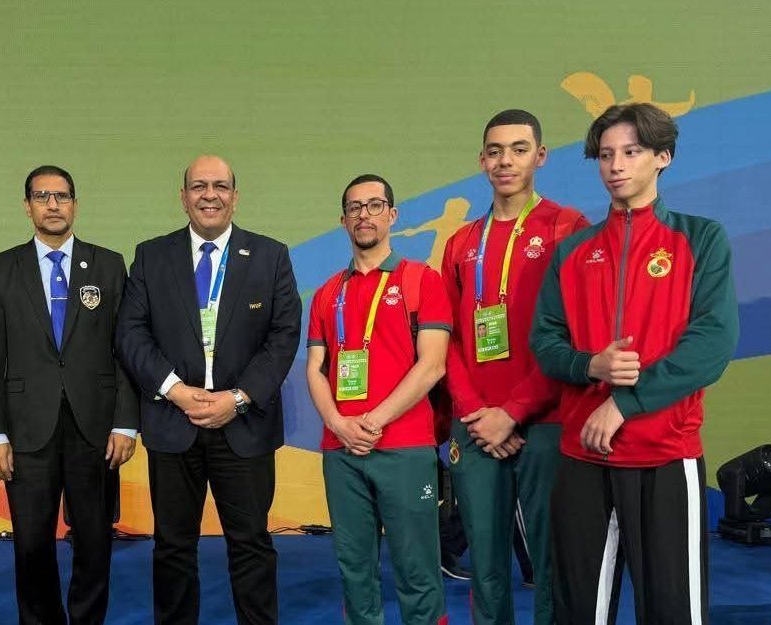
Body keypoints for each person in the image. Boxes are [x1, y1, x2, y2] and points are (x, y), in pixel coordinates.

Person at [530, 103, 738, 624]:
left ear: (662, 157)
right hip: (583, 455)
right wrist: (590, 366)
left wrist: (627, 402)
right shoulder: (574, 251)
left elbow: (712, 344)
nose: (615, 165)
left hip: (665, 454)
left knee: (673, 612)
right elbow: (545, 342)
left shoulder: (700, 238)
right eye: (605, 155)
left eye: (631, 151)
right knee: (577, 611)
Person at [116, 155, 301, 624]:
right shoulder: (151, 256)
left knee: (252, 543)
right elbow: (131, 334)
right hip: (172, 422)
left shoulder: (270, 255)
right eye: (199, 186)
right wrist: (175, 390)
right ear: (183, 198)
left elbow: (284, 336)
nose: (209, 195)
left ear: (235, 197)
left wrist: (237, 399)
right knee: (173, 547)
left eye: (220, 186)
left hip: (244, 424)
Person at [439, 109, 589, 625]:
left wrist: (516, 411)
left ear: (540, 156)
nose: (506, 160)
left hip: (545, 422)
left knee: (552, 563)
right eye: (496, 151)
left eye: (519, 149)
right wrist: (478, 412)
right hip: (476, 425)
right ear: (482, 161)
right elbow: (449, 340)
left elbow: (573, 335)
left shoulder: (568, 227)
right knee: (485, 564)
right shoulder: (461, 243)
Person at [0, 166, 139, 624]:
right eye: (42, 196)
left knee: (94, 540)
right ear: (26, 206)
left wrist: (126, 422)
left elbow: (123, 349)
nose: (53, 205)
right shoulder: (2, 267)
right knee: (30, 543)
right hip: (27, 430)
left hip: (96, 428)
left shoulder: (108, 264)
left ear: (75, 204)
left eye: (62, 196)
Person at [305, 174, 450, 625]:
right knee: (355, 569)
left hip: (404, 447)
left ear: (392, 215)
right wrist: (338, 424)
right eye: (354, 207)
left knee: (417, 568)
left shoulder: (421, 280)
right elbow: (315, 368)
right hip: (342, 451)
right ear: (343, 220)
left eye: (373, 205)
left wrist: (372, 421)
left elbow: (433, 365)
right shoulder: (328, 293)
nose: (363, 215)